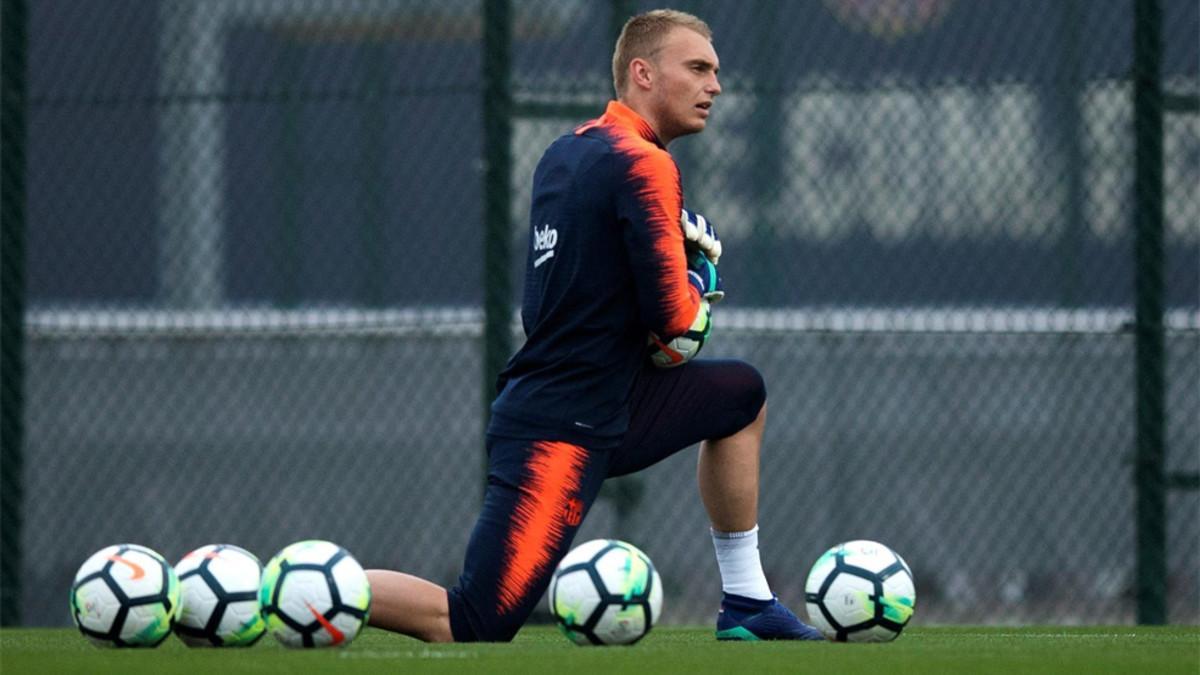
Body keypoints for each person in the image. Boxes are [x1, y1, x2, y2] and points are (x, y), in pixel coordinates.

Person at [365, 9, 821, 643]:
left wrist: (668, 283)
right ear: (642, 73)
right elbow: (680, 334)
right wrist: (700, 282)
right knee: (473, 622)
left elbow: (569, 307)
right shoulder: (644, 164)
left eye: (715, 71)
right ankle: (300, 588)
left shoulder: (567, 151)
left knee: (741, 396)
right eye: (697, 68)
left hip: (602, 402)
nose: (714, 85)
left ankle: (747, 600)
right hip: (562, 427)